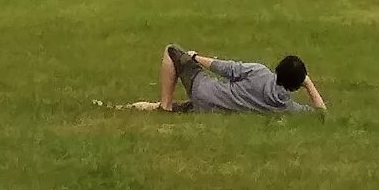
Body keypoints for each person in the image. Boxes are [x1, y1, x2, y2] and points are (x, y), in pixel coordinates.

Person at [114, 44, 327, 115]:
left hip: (205, 93)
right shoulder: (285, 107)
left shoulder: (260, 71)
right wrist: (309, 84)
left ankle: (165, 107)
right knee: (186, 109)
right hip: (216, 110)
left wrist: (195, 57)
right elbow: (321, 114)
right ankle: (124, 108)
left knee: (172, 50)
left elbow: (225, 68)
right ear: (296, 85)